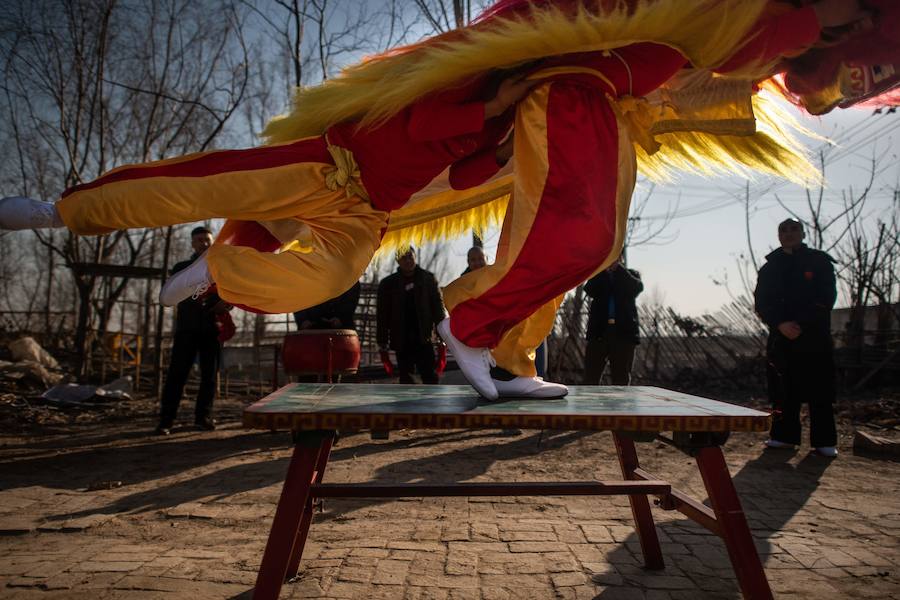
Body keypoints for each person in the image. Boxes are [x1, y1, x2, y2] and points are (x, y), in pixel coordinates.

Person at [754, 218, 838, 457]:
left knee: (820, 389)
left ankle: (824, 441)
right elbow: (762, 302)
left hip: (814, 337)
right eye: (783, 230)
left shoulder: (819, 262)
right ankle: (783, 436)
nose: (788, 234)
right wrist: (780, 323)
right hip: (781, 337)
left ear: (803, 233)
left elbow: (827, 297)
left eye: (794, 229)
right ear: (778, 235)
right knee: (783, 388)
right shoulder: (770, 267)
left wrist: (801, 324)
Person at [156, 226, 232, 435]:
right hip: (187, 329)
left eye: (207, 240)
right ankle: (166, 421)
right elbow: (182, 296)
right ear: (192, 243)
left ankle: (203, 417)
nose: (204, 244)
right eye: (199, 240)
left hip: (212, 331)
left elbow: (230, 293)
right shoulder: (181, 268)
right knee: (177, 376)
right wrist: (210, 305)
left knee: (209, 377)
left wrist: (224, 305)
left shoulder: (220, 268)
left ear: (212, 242)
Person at [376, 248, 445, 384]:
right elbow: (382, 315)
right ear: (398, 260)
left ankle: (431, 403)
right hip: (401, 338)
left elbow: (438, 309)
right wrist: (382, 342)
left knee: (430, 376)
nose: (408, 260)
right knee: (406, 379)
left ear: (415, 257)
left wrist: (443, 336)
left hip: (424, 337)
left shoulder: (428, 279)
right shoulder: (388, 284)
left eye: (410, 257)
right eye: (404, 258)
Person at [582, 258, 643, 386]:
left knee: (621, 378)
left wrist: (618, 270)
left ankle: (620, 406)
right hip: (599, 333)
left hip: (623, 334)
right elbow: (589, 289)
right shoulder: (599, 276)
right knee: (590, 378)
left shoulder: (629, 274)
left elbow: (636, 287)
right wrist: (604, 271)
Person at [293, 281, 360, 331]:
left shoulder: (349, 278)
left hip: (341, 331)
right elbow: (297, 296)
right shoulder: (305, 276)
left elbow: (351, 298)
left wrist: (341, 318)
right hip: (309, 331)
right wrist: (302, 320)